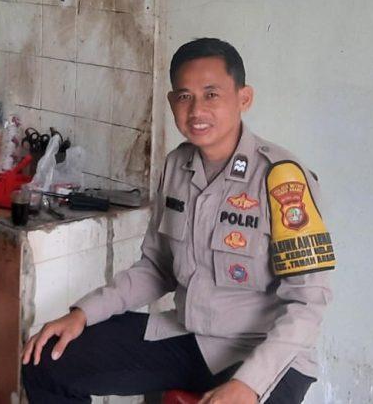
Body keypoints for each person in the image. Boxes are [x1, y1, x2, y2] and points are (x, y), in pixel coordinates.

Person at [21, 38, 334, 404]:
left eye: (211, 94)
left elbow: (308, 302)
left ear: (244, 98)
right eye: (185, 96)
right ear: (172, 103)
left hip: (268, 353)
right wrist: (83, 313)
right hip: (191, 338)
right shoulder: (177, 166)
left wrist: (249, 384)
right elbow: (156, 268)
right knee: (47, 359)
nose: (197, 110)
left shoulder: (281, 177)